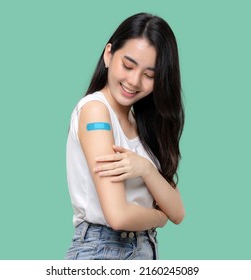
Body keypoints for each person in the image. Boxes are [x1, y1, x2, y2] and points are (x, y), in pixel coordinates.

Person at [65, 12, 185, 260]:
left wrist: (146, 169)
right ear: (108, 54)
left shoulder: (143, 125)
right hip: (103, 251)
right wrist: (159, 217)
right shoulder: (96, 111)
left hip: (143, 251)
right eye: (128, 66)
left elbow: (178, 210)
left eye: (149, 75)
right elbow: (118, 216)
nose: (134, 81)